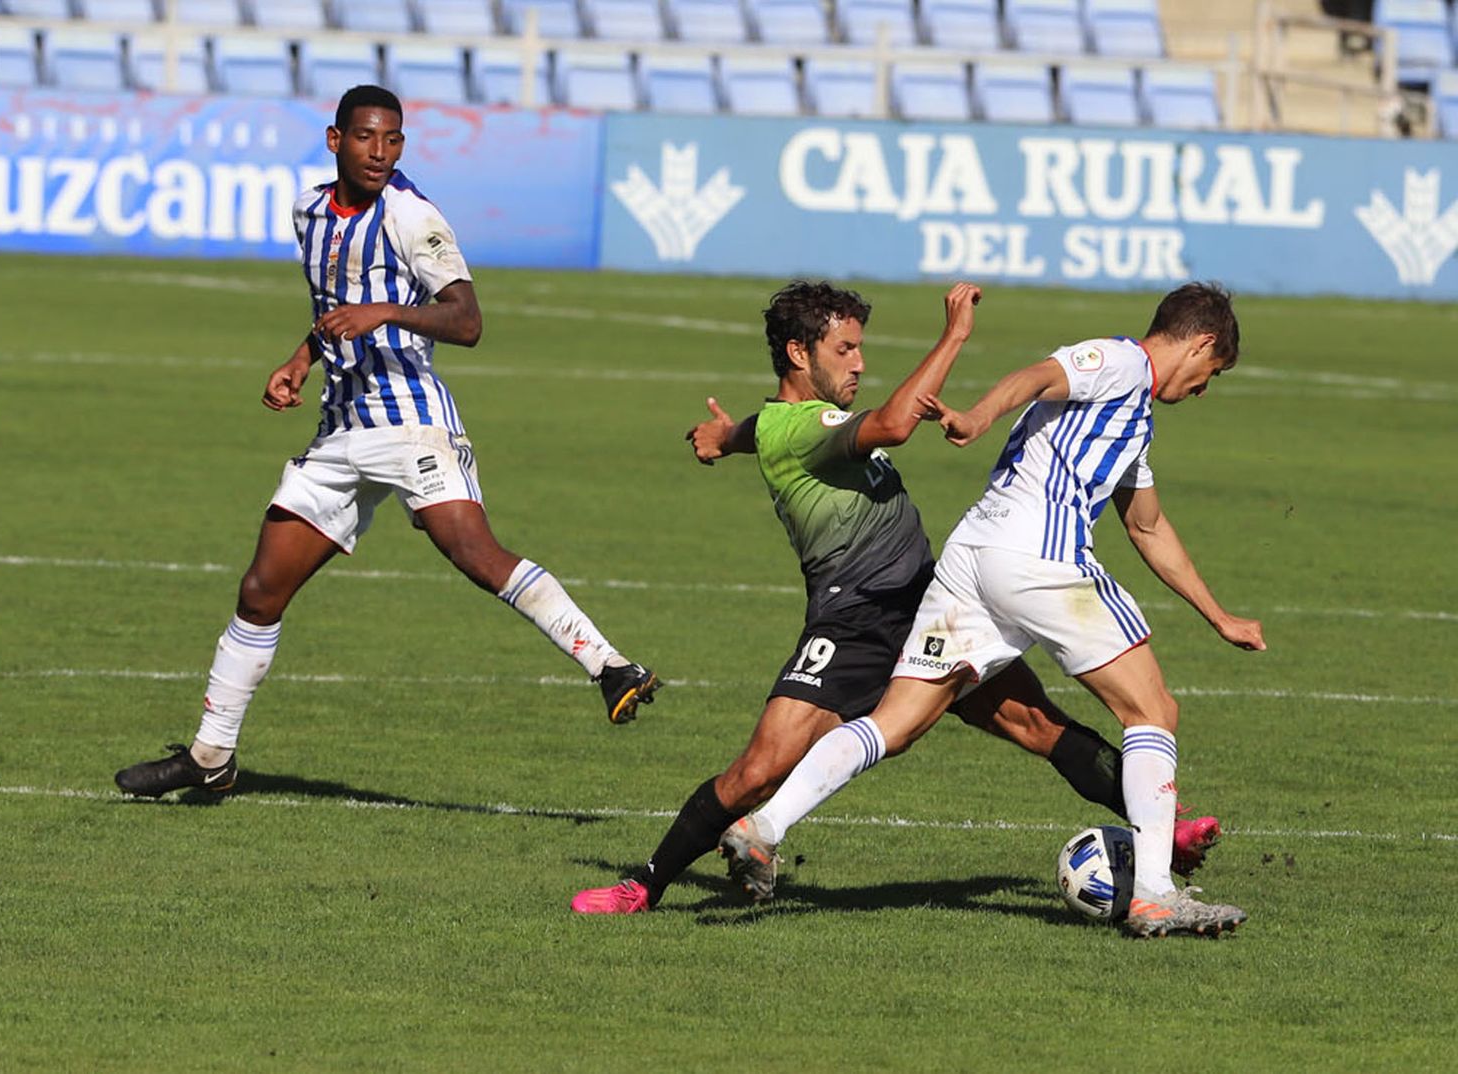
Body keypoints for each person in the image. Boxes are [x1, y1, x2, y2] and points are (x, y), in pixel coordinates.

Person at [570, 280, 1220, 915]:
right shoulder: (799, 426)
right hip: (853, 622)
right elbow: (891, 425)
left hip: (928, 599)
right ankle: (643, 886)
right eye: (844, 350)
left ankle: (1163, 828)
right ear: (798, 354)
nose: (859, 363)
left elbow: (765, 428)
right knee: (757, 773)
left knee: (1039, 725)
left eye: (859, 348)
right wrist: (954, 336)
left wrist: (725, 437)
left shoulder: (785, 424)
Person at [115, 86, 659, 799]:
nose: (381, 152)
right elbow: (331, 307)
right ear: (335, 139)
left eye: (393, 139)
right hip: (341, 429)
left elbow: (466, 321)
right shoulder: (309, 212)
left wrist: (386, 312)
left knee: (474, 553)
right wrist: (301, 360)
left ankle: (610, 666)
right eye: (367, 137)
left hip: (410, 423)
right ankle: (211, 756)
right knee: (261, 588)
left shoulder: (412, 216)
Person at [719, 282, 1264, 938]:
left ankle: (764, 825)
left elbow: (1147, 527)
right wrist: (977, 419)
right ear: (1202, 343)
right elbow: (1038, 376)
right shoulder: (1121, 361)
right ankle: (1154, 895)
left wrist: (1217, 615)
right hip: (1040, 558)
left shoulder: (1132, 420)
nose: (1203, 389)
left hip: (973, 560)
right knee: (1153, 711)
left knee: (895, 723)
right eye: (1213, 372)